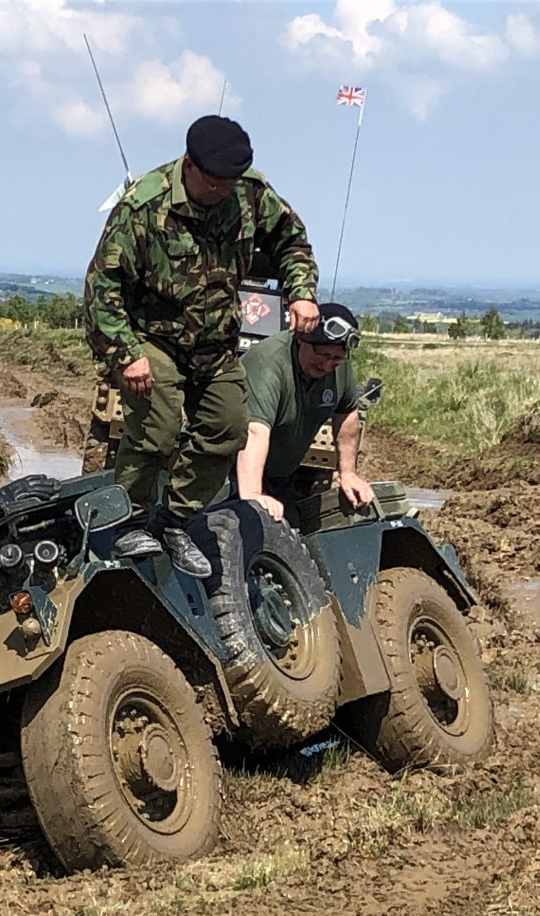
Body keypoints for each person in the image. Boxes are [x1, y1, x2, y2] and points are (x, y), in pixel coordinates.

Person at [82, 114, 319, 578]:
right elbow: (101, 287)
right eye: (214, 183)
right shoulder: (143, 208)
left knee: (229, 429)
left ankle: (172, 520)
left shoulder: (250, 193)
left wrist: (302, 291)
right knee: (159, 432)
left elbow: (292, 240)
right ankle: (130, 519)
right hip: (152, 338)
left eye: (230, 184)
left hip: (215, 343)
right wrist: (126, 354)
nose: (222, 193)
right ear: (189, 166)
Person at [235, 303, 373, 531]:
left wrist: (348, 473)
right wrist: (252, 496)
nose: (328, 365)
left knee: (293, 542)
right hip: (231, 470)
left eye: (336, 359)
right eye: (322, 355)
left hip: (281, 474)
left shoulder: (339, 367)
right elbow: (254, 431)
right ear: (301, 339)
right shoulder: (269, 363)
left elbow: (347, 411)